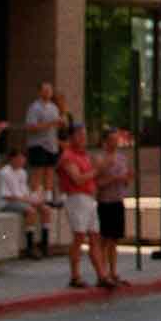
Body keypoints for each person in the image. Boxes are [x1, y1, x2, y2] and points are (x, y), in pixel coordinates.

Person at [56, 123, 104, 289]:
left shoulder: (84, 156)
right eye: (79, 135)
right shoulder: (68, 156)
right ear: (71, 137)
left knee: (95, 237)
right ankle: (75, 276)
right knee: (79, 237)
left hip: (89, 199)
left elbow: (91, 178)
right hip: (76, 198)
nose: (83, 138)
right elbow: (77, 178)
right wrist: (97, 170)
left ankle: (101, 275)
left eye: (84, 135)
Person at [0, 146, 52, 258]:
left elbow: (24, 192)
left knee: (46, 209)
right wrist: (28, 200)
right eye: (19, 158)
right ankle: (30, 246)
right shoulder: (4, 173)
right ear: (12, 159)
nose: (22, 161)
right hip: (6, 203)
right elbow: (6, 196)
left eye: (23, 158)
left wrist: (35, 198)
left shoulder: (22, 172)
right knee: (31, 211)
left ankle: (44, 244)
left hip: (22, 200)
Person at [92, 127, 129, 287]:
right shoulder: (99, 159)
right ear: (105, 141)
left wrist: (125, 179)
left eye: (117, 140)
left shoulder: (122, 158)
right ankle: (103, 273)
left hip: (118, 200)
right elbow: (96, 182)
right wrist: (112, 179)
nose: (115, 143)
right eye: (112, 140)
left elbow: (127, 178)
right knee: (104, 239)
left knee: (114, 239)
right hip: (104, 201)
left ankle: (114, 272)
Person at [22, 81, 62, 203]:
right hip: (38, 144)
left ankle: (48, 197)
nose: (48, 93)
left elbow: (56, 126)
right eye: (45, 90)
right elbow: (30, 127)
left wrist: (60, 124)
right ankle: (35, 196)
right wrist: (50, 124)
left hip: (51, 144)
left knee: (50, 171)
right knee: (38, 171)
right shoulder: (34, 108)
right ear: (39, 92)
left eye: (49, 90)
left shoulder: (54, 107)